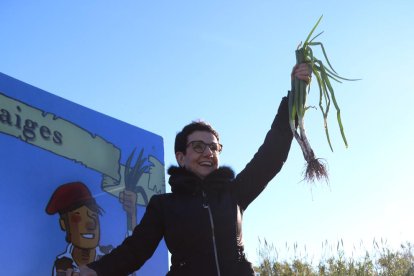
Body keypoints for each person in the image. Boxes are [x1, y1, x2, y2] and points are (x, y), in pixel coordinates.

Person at [79, 63, 312, 276]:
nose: (208, 153)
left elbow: (271, 155)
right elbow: (134, 252)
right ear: (181, 157)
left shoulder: (234, 193)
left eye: (214, 147)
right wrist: (96, 271)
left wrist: (294, 96)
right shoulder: (164, 205)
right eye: (198, 147)